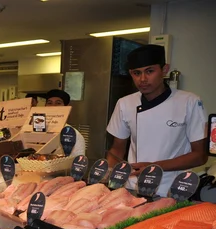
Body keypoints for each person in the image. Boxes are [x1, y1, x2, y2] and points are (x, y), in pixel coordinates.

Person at [106, 44, 207, 197]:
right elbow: (116, 150)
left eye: (150, 71)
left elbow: (199, 155)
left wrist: (153, 167)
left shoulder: (189, 102)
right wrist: (111, 181)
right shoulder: (125, 103)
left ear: (164, 70)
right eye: (136, 73)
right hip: (133, 187)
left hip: (171, 188)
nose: (143, 79)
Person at [45, 89, 86, 157]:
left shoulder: (74, 135)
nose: (53, 106)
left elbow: (78, 162)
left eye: (58, 103)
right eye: (49, 103)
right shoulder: (32, 131)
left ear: (67, 108)